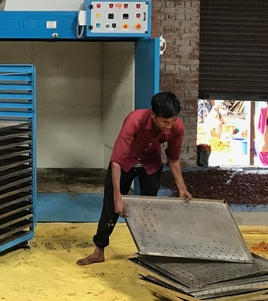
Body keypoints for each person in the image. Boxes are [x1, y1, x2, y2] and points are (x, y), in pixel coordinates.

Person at [77, 91, 193, 267]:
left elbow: (174, 158)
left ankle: (149, 252)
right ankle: (99, 251)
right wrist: (118, 197)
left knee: (149, 207)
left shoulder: (177, 128)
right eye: (165, 122)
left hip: (150, 164)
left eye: (173, 121)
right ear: (153, 115)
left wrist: (182, 188)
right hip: (125, 162)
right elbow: (116, 161)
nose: (169, 126)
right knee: (110, 206)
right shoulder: (135, 121)